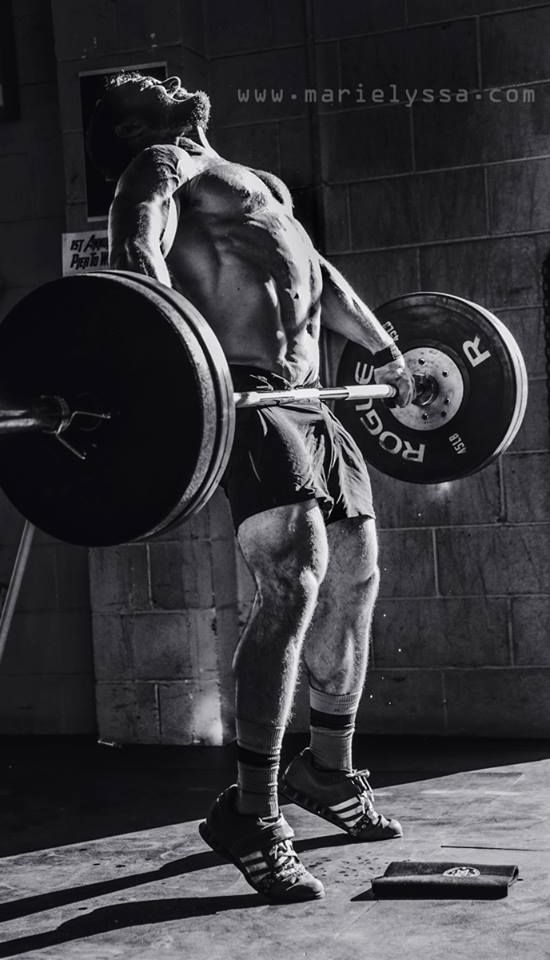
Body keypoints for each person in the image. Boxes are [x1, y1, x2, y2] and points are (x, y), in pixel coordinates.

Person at [87, 72, 414, 904]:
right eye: (154, 85)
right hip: (245, 393)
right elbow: (139, 255)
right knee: (293, 581)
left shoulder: (259, 182)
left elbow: (318, 275)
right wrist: (173, 365)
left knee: (356, 579)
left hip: (310, 399)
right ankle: (252, 811)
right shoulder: (158, 167)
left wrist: (387, 353)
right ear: (134, 128)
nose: (177, 82)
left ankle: (327, 774)